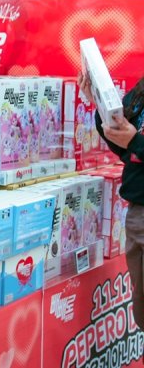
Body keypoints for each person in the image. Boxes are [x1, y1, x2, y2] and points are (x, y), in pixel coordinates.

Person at [78, 71, 144, 328]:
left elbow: (134, 144)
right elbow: (124, 148)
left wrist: (136, 142)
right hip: (137, 214)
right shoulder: (140, 92)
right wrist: (100, 104)